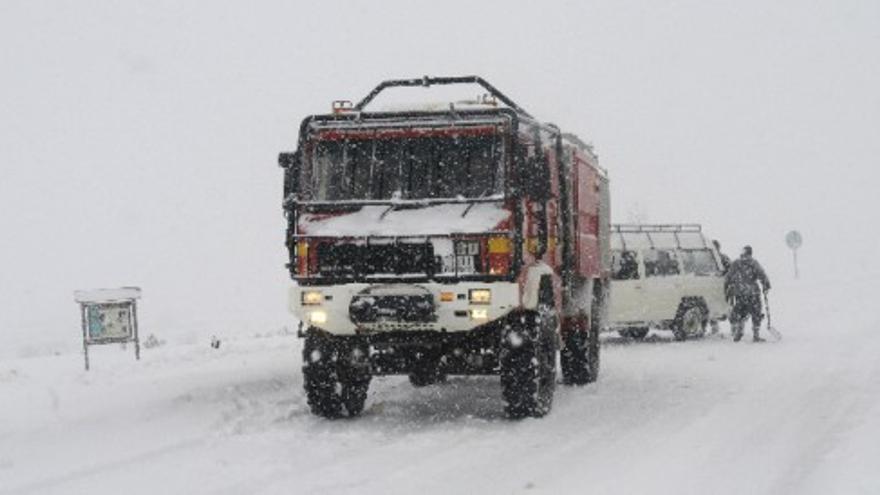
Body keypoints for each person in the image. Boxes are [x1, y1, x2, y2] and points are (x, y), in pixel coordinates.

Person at [724, 245, 771, 342]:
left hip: (740, 292)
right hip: (752, 292)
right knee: (756, 313)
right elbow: (762, 274)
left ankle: (738, 333)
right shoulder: (753, 263)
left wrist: (727, 288)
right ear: (750, 253)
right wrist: (766, 285)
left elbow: (728, 277)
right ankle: (756, 335)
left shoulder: (736, 263)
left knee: (741, 312)